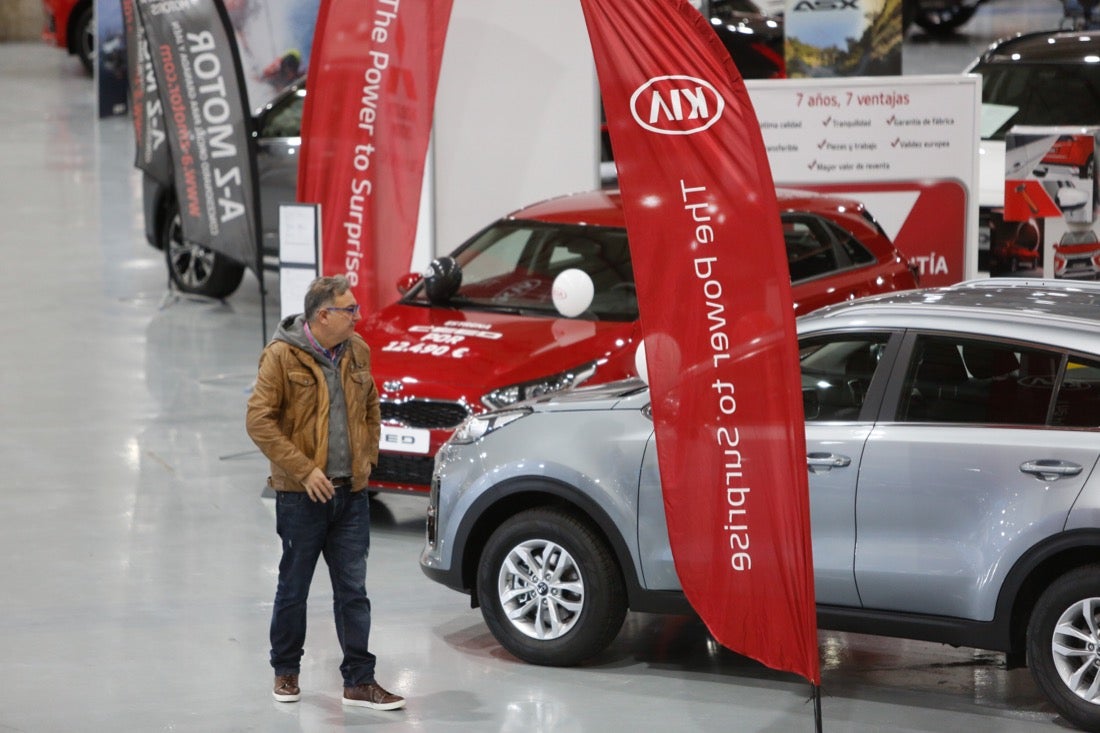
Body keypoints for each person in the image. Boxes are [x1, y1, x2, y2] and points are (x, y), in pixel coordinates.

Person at [245, 275, 405, 711]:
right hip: (301, 498)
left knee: (353, 591)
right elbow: (259, 421)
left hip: (351, 495)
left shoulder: (357, 351)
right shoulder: (281, 356)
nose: (357, 316)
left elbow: (370, 408)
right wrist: (303, 470)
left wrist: (366, 459)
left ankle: (359, 681)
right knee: (293, 588)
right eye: (349, 309)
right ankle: (286, 670)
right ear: (322, 316)